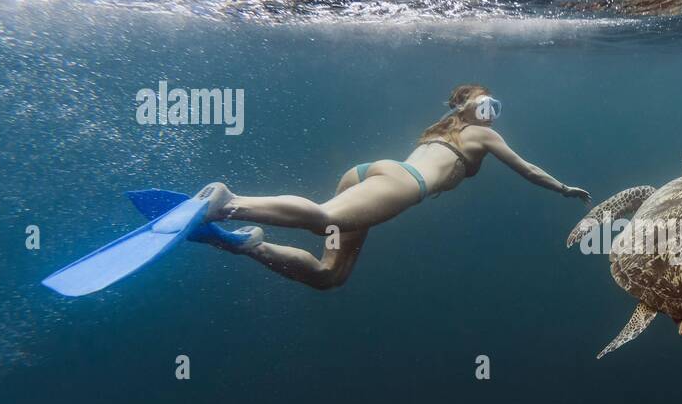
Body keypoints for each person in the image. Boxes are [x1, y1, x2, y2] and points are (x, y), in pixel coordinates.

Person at [197, 83, 589, 289]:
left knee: (329, 275)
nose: (492, 114)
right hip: (401, 185)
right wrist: (563, 188)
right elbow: (527, 169)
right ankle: (230, 202)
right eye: (486, 105)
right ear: (465, 109)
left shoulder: (443, 130)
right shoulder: (482, 134)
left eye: (495, 108)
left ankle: (243, 244)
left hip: (372, 173)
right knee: (323, 219)